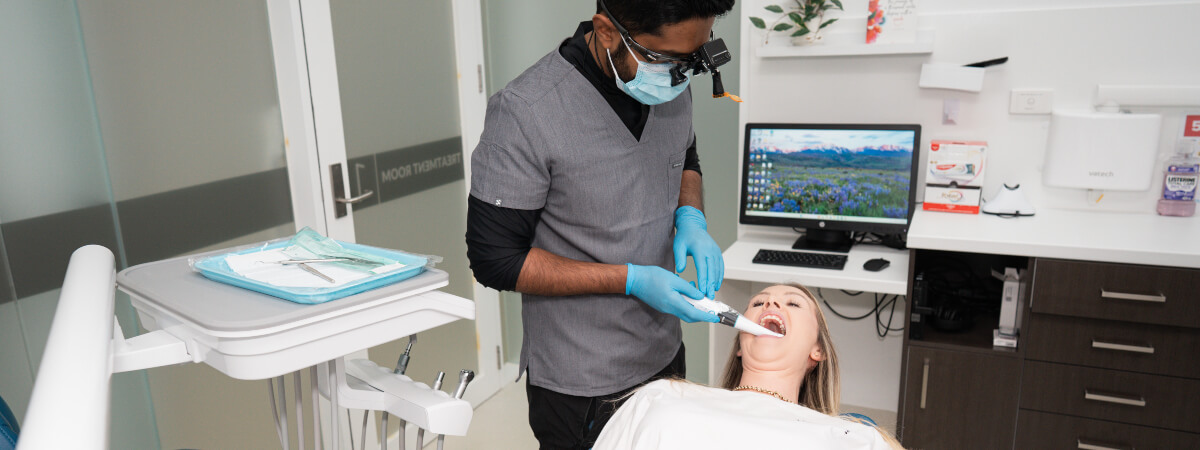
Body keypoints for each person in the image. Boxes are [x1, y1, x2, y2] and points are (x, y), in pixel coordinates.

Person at [465, 0, 735, 448]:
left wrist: (692, 217)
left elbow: (684, 152)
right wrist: (630, 280)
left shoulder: (670, 79)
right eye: (666, 59)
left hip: (664, 352)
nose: (680, 74)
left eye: (694, 58)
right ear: (607, 32)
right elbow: (496, 259)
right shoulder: (526, 112)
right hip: (583, 383)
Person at [592, 284, 905, 449]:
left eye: (793, 303)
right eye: (758, 303)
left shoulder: (854, 437)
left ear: (818, 350)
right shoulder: (662, 394)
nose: (770, 304)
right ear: (740, 345)